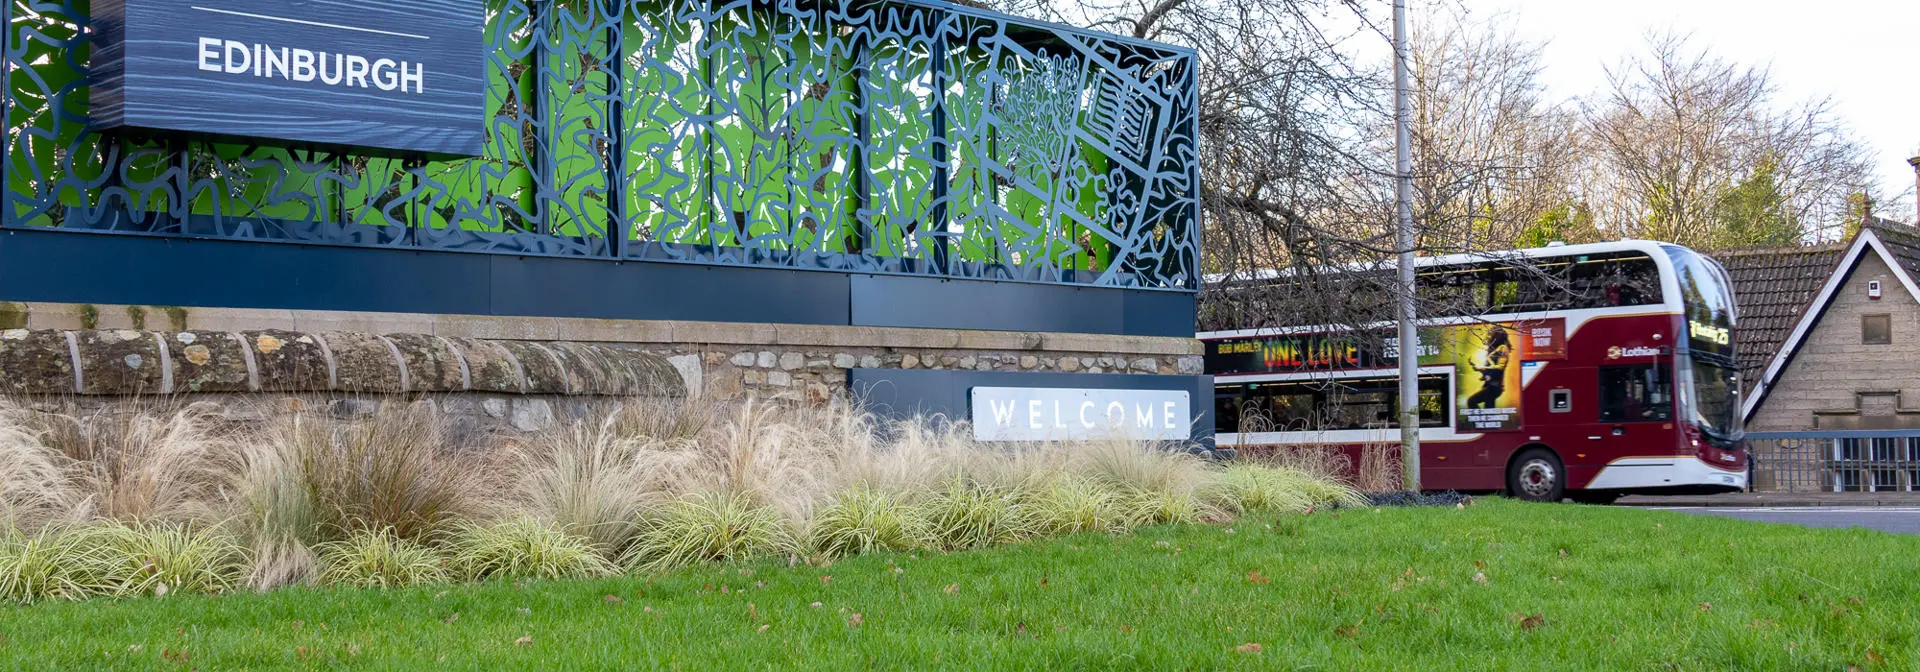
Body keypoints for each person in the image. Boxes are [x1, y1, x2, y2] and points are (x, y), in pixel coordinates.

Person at [1465, 326, 1511, 409]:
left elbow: (1499, 369)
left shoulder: (1503, 349)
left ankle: (1480, 421)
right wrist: (1478, 369)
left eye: (1491, 334)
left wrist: (1482, 369)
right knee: (1489, 411)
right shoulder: (1493, 350)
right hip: (1491, 386)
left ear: (1496, 336)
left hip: (1495, 386)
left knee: (1471, 401)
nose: (1489, 337)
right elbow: (1489, 371)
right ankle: (1482, 421)